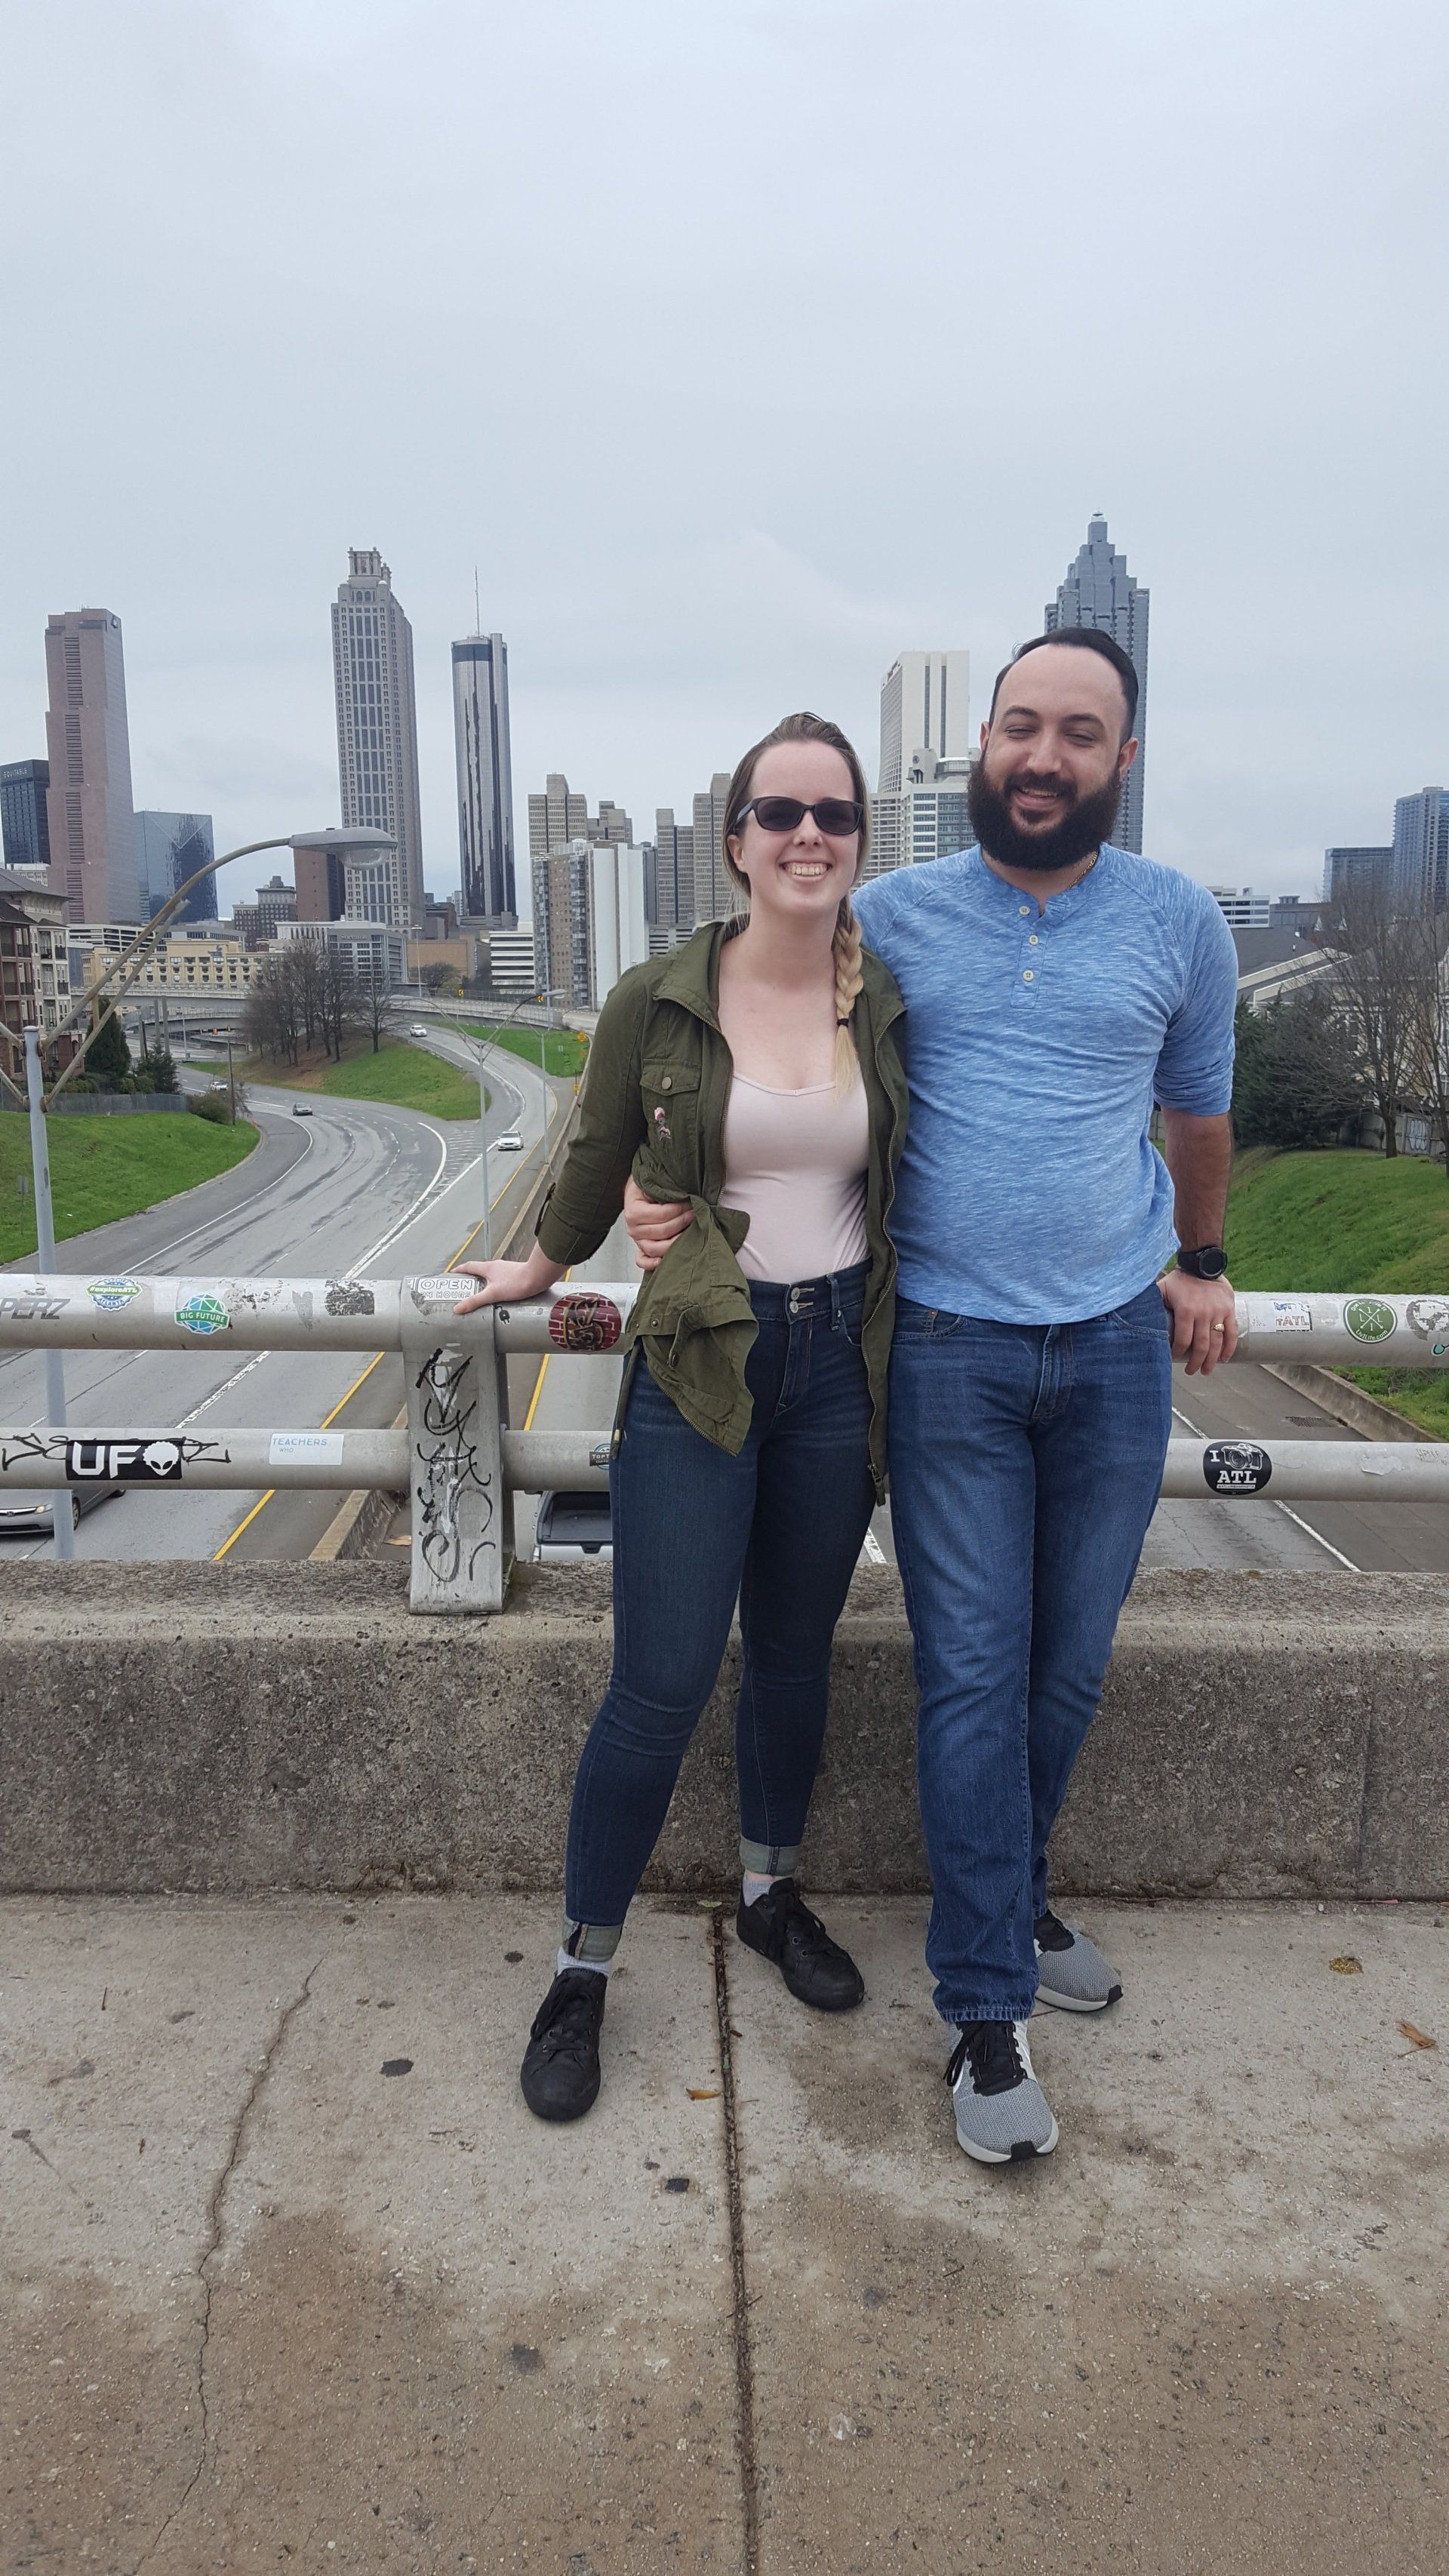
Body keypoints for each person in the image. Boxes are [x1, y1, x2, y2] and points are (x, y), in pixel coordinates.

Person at [628, 630, 1240, 2166]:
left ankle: (1012, 1903)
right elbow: (739, 1036)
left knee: (1067, 1669)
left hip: (1112, 1343)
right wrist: (667, 1193)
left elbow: (1201, 1107)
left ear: (1123, 760)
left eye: (1080, 734)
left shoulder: (1181, 921)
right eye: (1022, 725)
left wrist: (1207, 1257)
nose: (1045, 755)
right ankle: (984, 2014)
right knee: (970, 1671)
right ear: (982, 741)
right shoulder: (885, 920)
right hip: (948, 1350)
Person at [453, 711, 908, 2123]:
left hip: (839, 1364)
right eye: (779, 813)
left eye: (833, 813)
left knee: (790, 1659)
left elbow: (930, 1155)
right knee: (657, 1682)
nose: (807, 835)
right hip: (703, 1360)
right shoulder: (658, 996)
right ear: (735, 839)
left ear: (858, 841)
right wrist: (535, 1263)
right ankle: (583, 1969)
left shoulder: (882, 997)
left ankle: (769, 1893)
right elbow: (596, 1159)